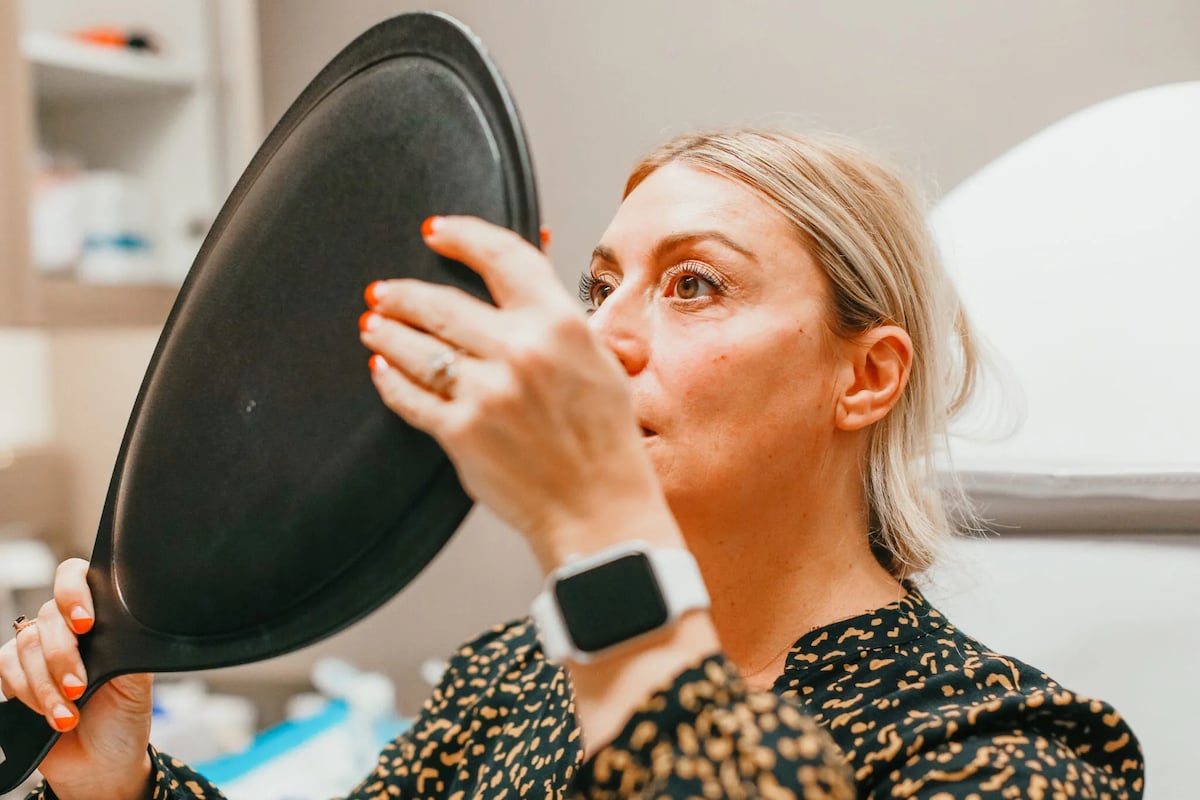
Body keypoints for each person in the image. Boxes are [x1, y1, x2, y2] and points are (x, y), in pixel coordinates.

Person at [0, 130, 1143, 800]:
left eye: (695, 283)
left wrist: (595, 531)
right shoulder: (518, 676)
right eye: (601, 287)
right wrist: (125, 785)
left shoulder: (1010, 745)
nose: (601, 336)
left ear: (866, 376)